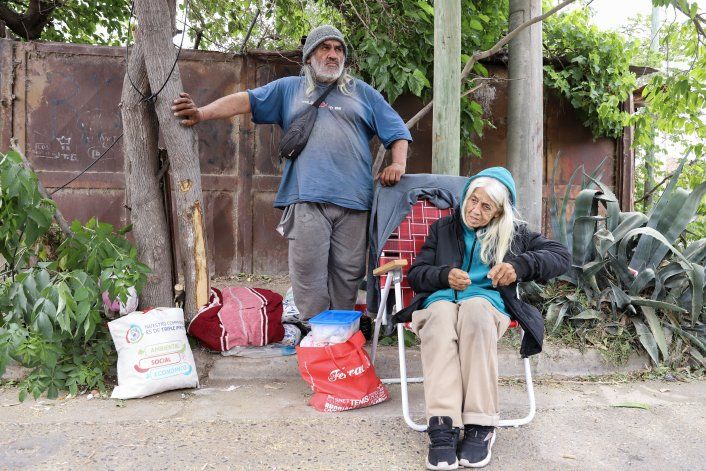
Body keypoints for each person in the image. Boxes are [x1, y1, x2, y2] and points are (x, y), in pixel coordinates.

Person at [172, 25, 412, 320]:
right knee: (308, 273)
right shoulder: (289, 89)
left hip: (354, 203)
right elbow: (244, 101)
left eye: (338, 49)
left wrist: (398, 164)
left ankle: (339, 337)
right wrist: (201, 113)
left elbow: (397, 130)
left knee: (348, 274)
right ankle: (316, 333)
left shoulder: (363, 93)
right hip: (306, 199)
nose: (333, 55)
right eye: (325, 48)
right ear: (309, 56)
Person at [402, 167, 570, 470]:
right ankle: (443, 425)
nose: (475, 211)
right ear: (466, 196)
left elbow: (560, 255)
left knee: (476, 312)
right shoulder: (442, 229)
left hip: (487, 304)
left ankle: (481, 425)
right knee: (439, 318)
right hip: (441, 300)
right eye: (472, 200)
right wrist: (443, 275)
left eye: (486, 206)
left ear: (497, 213)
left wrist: (520, 265)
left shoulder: (515, 234)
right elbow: (416, 274)